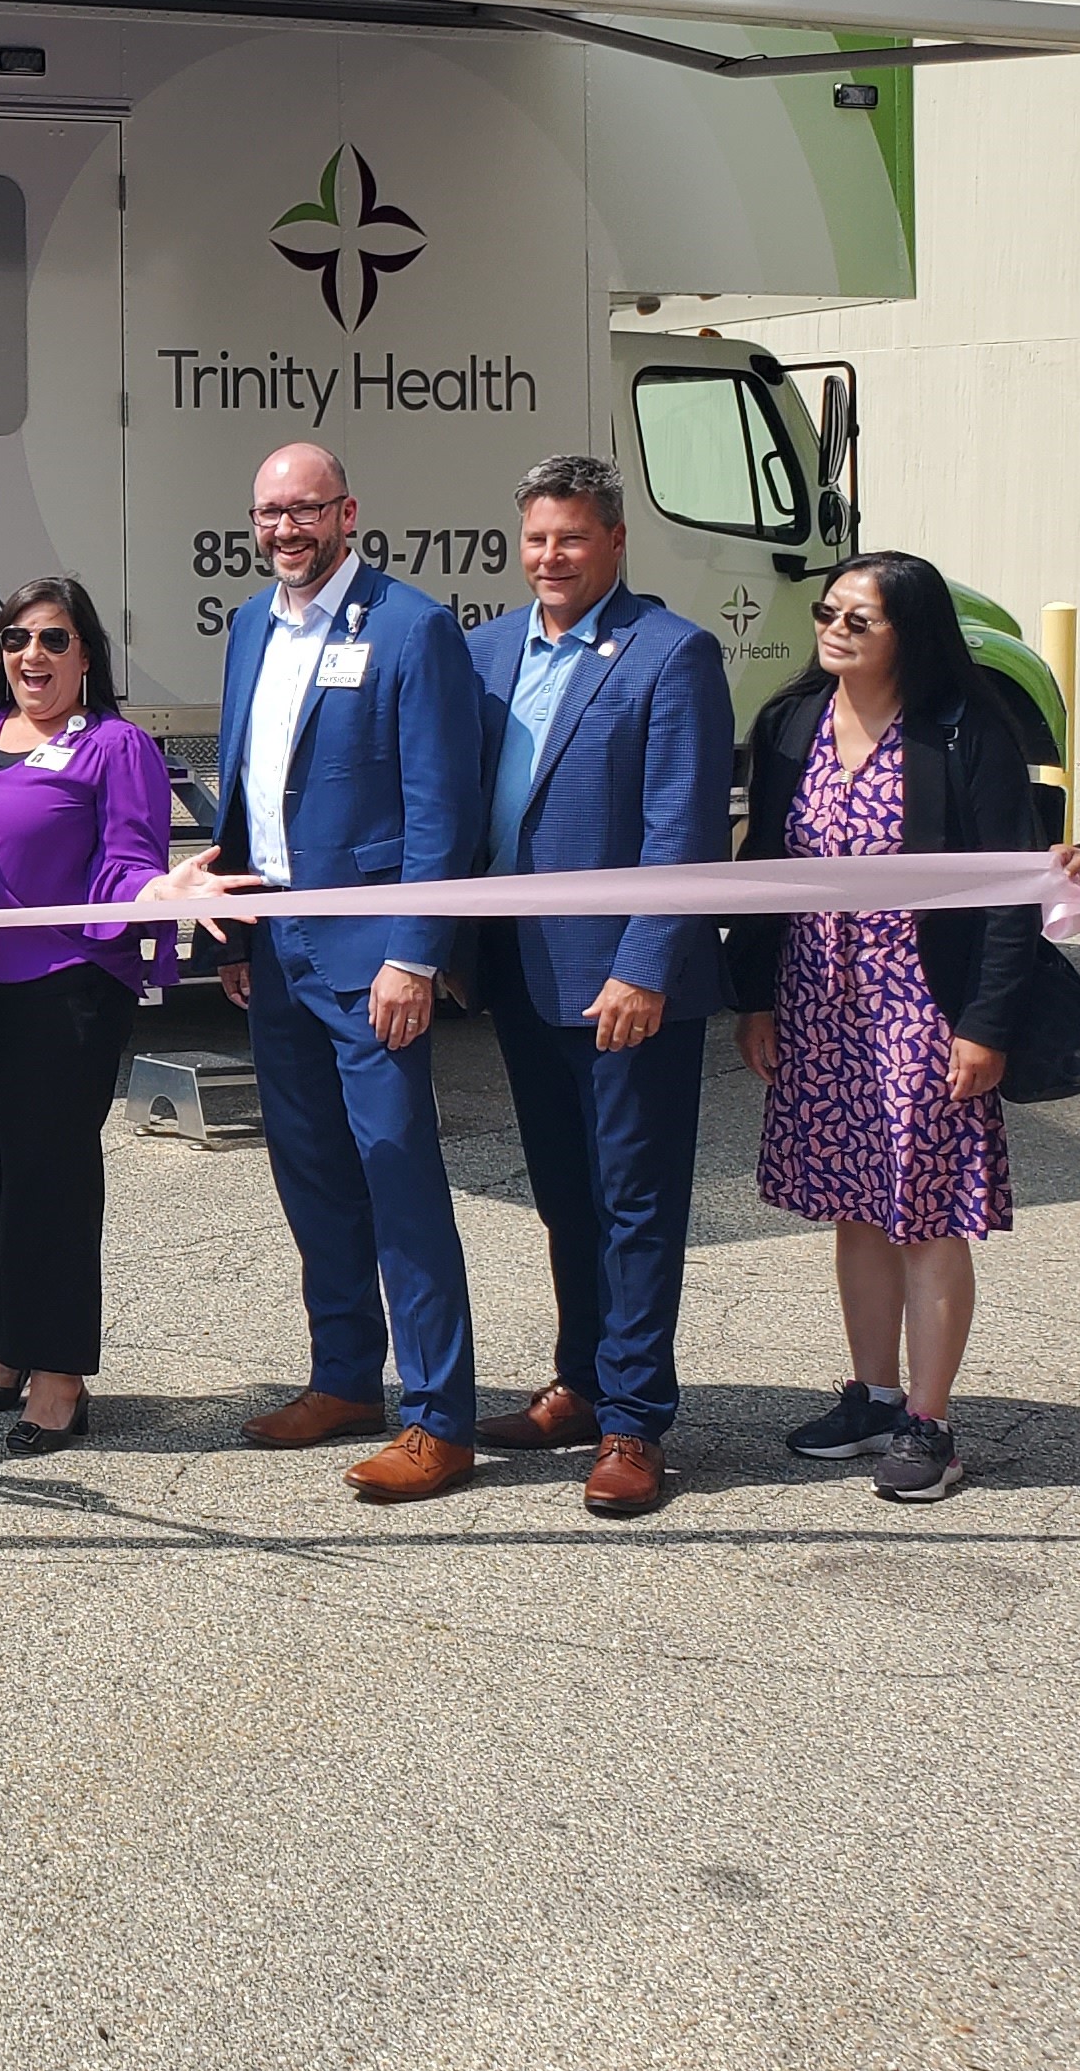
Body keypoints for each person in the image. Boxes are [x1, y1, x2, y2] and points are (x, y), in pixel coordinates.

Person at [143, 442, 482, 1504]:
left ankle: (437, 1415)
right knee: (310, 1173)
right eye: (266, 514)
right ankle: (343, 1377)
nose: (284, 529)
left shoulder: (411, 625)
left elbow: (439, 804)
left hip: (370, 947)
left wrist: (412, 949)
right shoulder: (250, 622)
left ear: (347, 513)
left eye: (304, 510)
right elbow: (242, 784)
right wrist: (234, 937)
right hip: (276, 944)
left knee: (396, 1171)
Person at [727, 552, 1044, 1508]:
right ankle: (870, 1395)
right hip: (820, 1001)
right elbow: (761, 873)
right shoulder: (789, 722)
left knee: (926, 1214)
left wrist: (985, 1023)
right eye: (828, 612)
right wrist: (756, 997)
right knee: (855, 1204)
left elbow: (1008, 888)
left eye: (858, 619)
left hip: (923, 1007)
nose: (834, 628)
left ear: (911, 631)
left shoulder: (963, 730)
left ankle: (929, 1422)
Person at [463, 455, 732, 1519]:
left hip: (624, 983)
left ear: (615, 540)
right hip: (521, 970)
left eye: (570, 537)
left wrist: (643, 960)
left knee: (633, 1202)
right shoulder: (485, 648)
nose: (549, 557)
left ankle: (633, 1422)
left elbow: (684, 825)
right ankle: (576, 1381)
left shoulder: (670, 653)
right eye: (535, 537)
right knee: (562, 1194)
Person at [0, 578, 171, 1458]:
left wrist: (154, 890)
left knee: (49, 1181)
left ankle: (59, 1375)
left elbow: (128, 859)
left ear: (86, 654)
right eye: (15, 638)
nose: (33, 655)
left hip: (63, 990)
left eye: (54, 640)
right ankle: (10, 1347)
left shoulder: (115, 745)